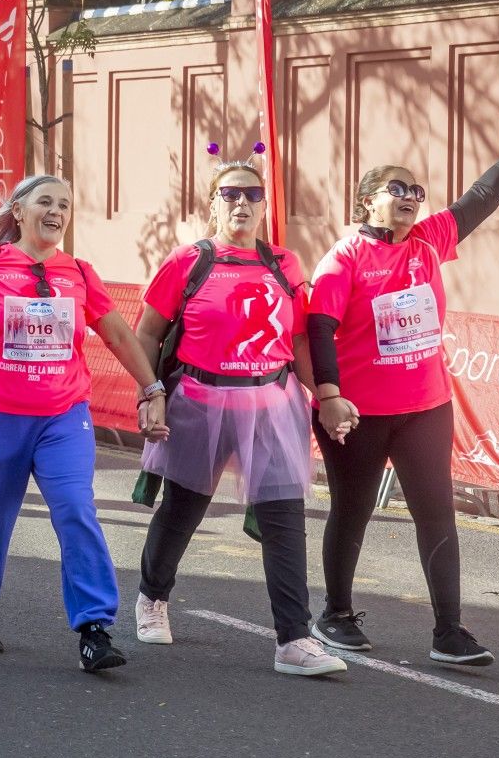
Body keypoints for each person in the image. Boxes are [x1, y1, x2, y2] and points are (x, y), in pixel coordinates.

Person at [308, 96, 499, 668]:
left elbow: (482, 197)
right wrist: (328, 397)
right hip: (360, 410)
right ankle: (336, 614)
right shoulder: (343, 260)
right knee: (353, 509)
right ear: (367, 199)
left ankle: (449, 630)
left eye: (416, 192)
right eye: (398, 189)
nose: (410, 199)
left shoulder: (430, 242)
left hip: (425, 406)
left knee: (436, 510)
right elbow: (319, 329)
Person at [0, 174, 162, 673]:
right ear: (19, 211)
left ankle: (94, 627)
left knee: (76, 510)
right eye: (45, 201)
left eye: (65, 205)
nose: (56, 211)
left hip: (63, 416)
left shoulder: (79, 272)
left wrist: (151, 389)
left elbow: (115, 332)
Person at [130, 156, 348, 676]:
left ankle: (293, 641)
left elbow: (297, 337)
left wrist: (325, 393)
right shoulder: (189, 261)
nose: (242, 203)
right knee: (183, 508)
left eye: (252, 194)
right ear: (213, 204)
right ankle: (151, 597)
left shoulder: (285, 264)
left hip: (271, 403)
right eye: (230, 194)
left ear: (265, 205)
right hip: (199, 403)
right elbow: (146, 334)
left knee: (284, 518)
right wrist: (150, 393)